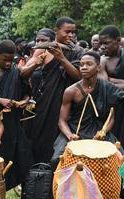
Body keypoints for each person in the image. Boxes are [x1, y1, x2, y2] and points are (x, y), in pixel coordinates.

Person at [0, 40, 34, 190]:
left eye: (11, 60)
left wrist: (24, 101)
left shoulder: (16, 71)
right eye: (5, 60)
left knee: (23, 156)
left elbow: (26, 94)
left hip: (15, 122)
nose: (9, 63)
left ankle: (23, 190)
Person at [52, 51, 124, 163]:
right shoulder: (71, 91)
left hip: (98, 131)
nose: (84, 67)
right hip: (75, 130)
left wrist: (103, 131)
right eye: (81, 65)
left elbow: (111, 116)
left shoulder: (107, 87)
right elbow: (61, 121)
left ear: (98, 67)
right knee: (57, 159)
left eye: (89, 64)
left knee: (120, 159)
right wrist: (70, 135)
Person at [26, 22, 82, 164]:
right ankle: (38, 175)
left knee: (60, 146)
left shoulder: (77, 52)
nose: (70, 35)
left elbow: (78, 77)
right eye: (67, 31)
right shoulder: (43, 50)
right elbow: (24, 71)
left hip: (66, 104)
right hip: (44, 102)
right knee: (39, 140)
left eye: (72, 32)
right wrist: (36, 63)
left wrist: (61, 58)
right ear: (57, 31)